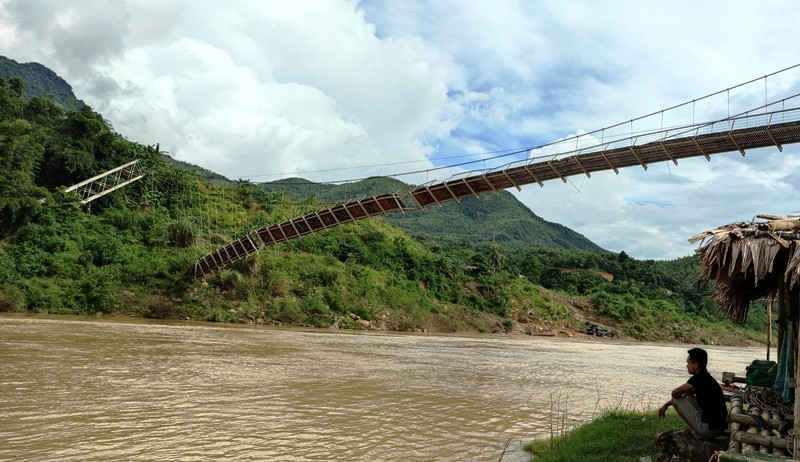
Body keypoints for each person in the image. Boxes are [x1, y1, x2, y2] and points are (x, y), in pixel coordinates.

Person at [658, 347, 728, 439]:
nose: (686, 366)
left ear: (695, 365)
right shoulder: (706, 378)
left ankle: (698, 431)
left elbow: (674, 394)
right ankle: (698, 429)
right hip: (718, 429)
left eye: (688, 363)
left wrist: (667, 405)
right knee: (688, 396)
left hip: (709, 431)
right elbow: (685, 394)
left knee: (676, 400)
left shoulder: (698, 379)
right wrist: (668, 404)